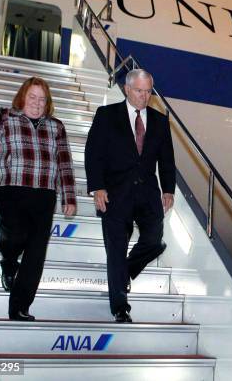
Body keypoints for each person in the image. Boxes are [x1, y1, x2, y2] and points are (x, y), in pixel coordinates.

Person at [0, 77, 76, 321]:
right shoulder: (5, 116)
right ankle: (8, 260)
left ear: (48, 103)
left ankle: (19, 307)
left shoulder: (56, 126)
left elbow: (65, 164)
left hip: (44, 195)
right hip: (10, 191)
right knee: (14, 236)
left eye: (42, 99)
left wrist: (69, 197)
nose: (37, 103)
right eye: (32, 97)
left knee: (36, 254)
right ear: (22, 97)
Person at [84, 68, 176, 323]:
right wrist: (97, 187)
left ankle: (124, 272)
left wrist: (169, 189)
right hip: (114, 193)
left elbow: (167, 160)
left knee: (154, 239)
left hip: (147, 193)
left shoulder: (160, 120)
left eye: (148, 92)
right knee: (116, 249)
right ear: (127, 89)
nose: (144, 96)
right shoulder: (106, 115)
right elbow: (93, 153)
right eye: (139, 91)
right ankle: (120, 307)